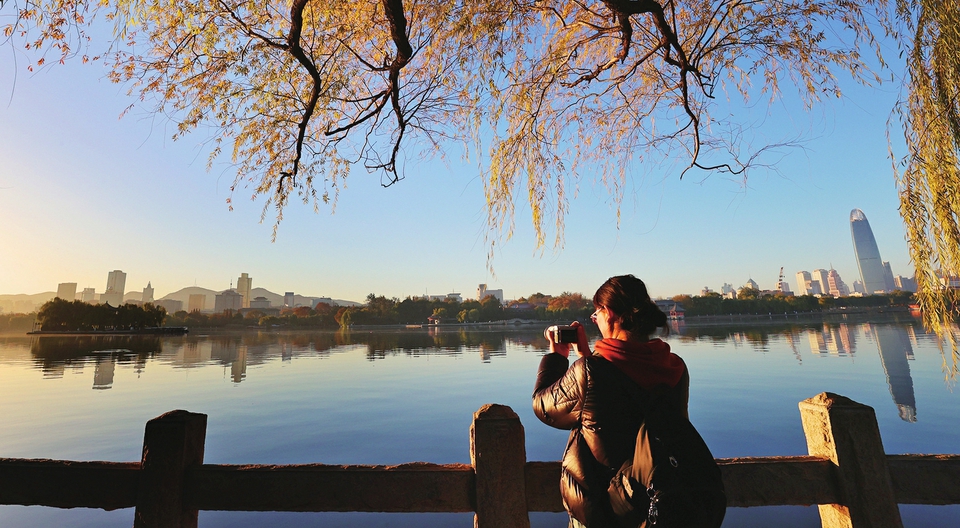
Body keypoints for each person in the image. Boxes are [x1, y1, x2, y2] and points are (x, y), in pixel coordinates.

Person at [533, 275, 689, 527]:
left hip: (607, 509)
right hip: (660, 502)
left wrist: (558, 356)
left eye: (597, 313)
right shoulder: (675, 366)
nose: (596, 320)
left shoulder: (589, 371)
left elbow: (544, 407)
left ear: (610, 313)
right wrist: (587, 356)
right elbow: (617, 386)